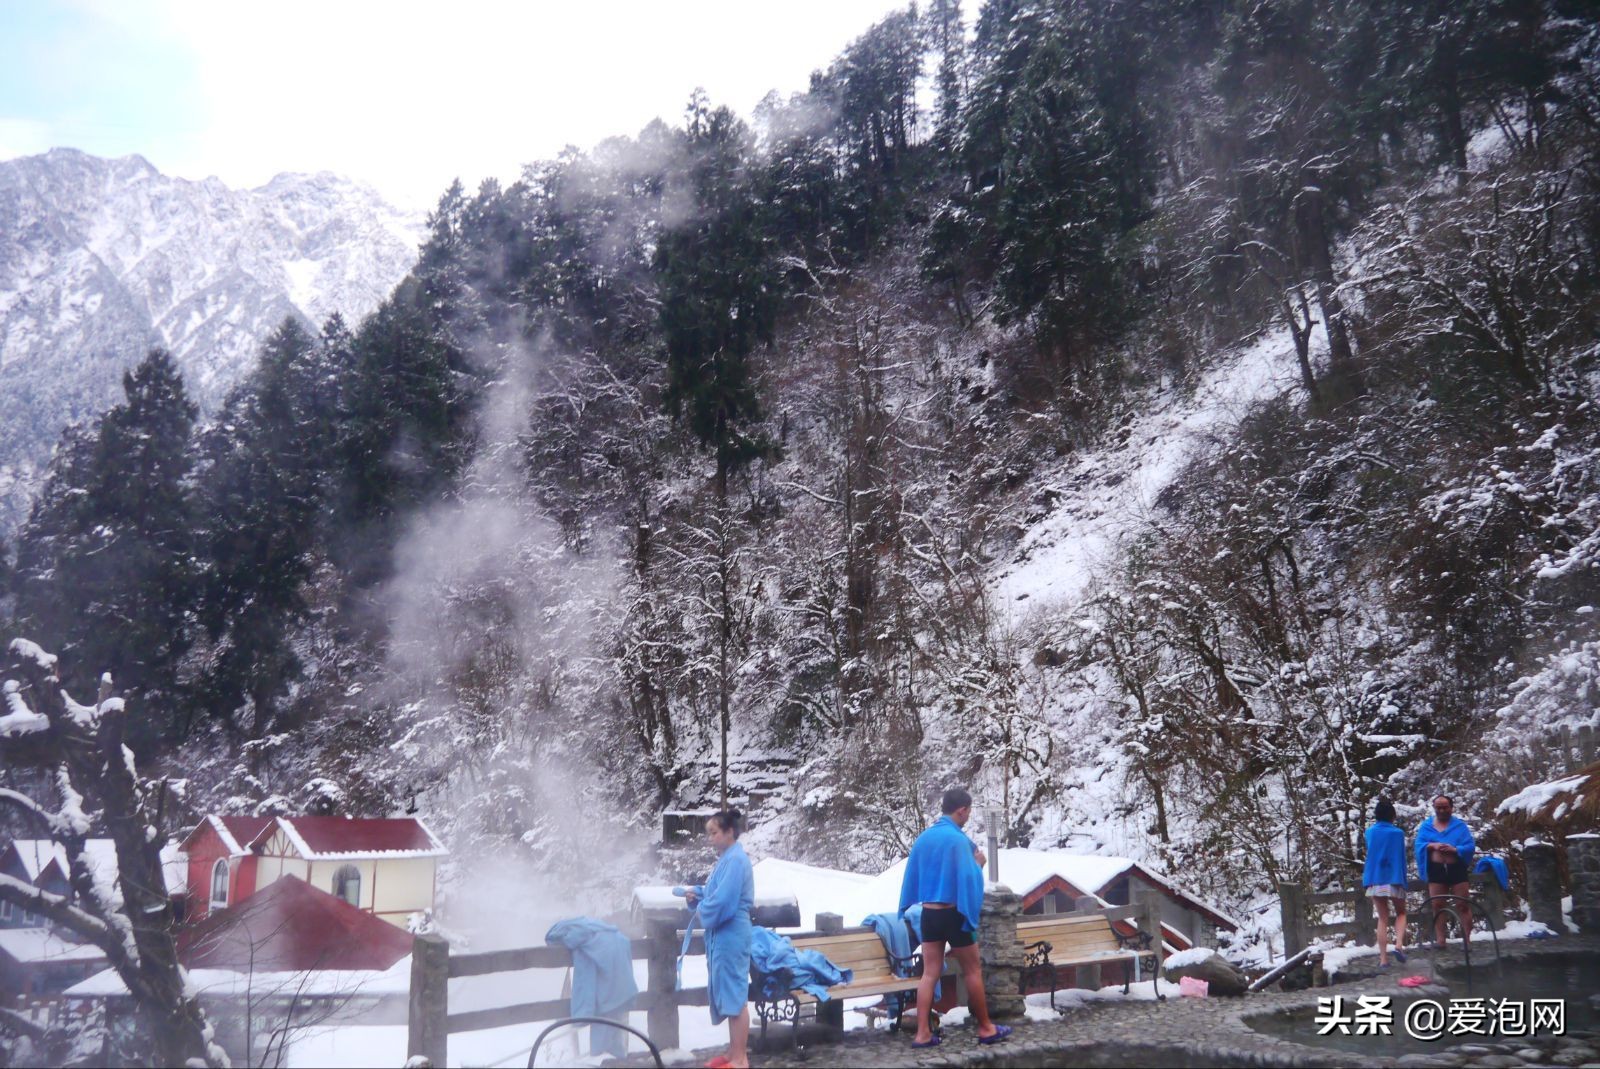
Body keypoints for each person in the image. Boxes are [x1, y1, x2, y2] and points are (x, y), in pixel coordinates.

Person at [898, 787, 1010, 1049]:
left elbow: (912, 874)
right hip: (954, 915)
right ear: (961, 810)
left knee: (929, 973)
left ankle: (922, 1033)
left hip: (929, 914)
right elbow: (969, 879)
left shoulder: (924, 838)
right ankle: (986, 1028)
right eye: (968, 812)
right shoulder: (958, 841)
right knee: (972, 970)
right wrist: (979, 864)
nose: (968, 817)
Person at [686, 810, 754, 1069]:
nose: (711, 838)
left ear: (729, 832)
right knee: (728, 991)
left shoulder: (736, 860)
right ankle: (733, 1052)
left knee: (735, 994)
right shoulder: (727, 859)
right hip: (723, 934)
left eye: (714, 833)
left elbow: (725, 901)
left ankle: (740, 1059)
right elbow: (715, 892)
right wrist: (698, 894)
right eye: (709, 833)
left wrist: (704, 908)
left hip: (732, 932)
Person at [1415, 794, 1475, 949]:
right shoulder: (1427, 826)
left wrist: (1455, 849)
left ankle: (1467, 940)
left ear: (1451, 808)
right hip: (1436, 869)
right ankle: (1441, 940)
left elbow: (1469, 846)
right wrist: (1432, 846)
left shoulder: (1459, 826)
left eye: (1445, 807)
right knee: (1437, 905)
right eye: (1438, 807)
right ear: (1434, 808)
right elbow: (1419, 844)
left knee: (1463, 904)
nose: (1442, 810)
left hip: (1456, 868)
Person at [1361, 798, 1408, 967]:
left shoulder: (1369, 832)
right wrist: (1404, 880)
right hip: (1394, 877)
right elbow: (1401, 858)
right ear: (1393, 816)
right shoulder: (1398, 833)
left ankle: (1383, 959)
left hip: (1375, 878)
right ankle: (1398, 945)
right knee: (1401, 913)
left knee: (1382, 917)